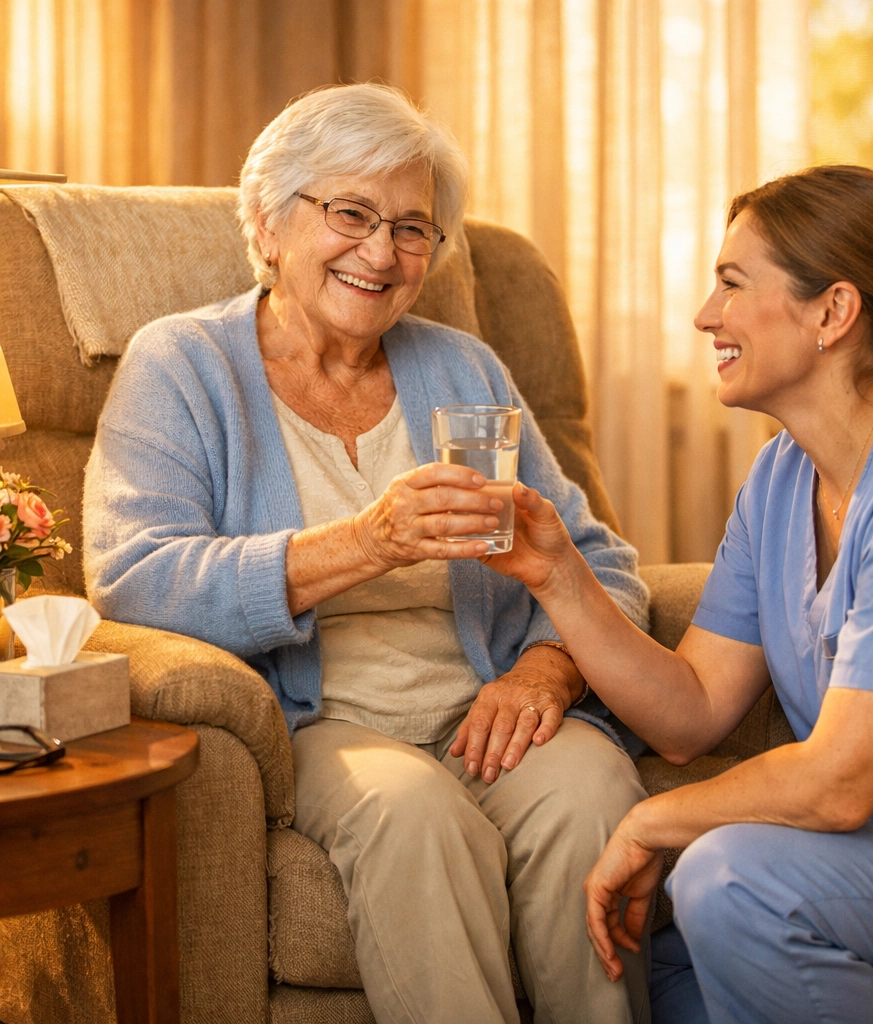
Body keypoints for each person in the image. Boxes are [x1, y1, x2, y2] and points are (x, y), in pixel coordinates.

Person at [83, 83, 652, 1024]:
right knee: (412, 813)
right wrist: (364, 542)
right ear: (269, 223)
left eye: (413, 228)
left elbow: (601, 561)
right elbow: (137, 577)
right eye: (350, 213)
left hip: (486, 714)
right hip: (320, 726)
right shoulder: (182, 365)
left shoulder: (462, 368)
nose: (382, 253)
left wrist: (549, 671)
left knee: (593, 788)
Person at [483, 164, 873, 1023]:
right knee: (651, 973)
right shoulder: (782, 475)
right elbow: (690, 712)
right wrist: (557, 572)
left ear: (832, 313)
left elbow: (842, 781)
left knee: (729, 879)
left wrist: (650, 824)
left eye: (732, 285)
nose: (706, 316)